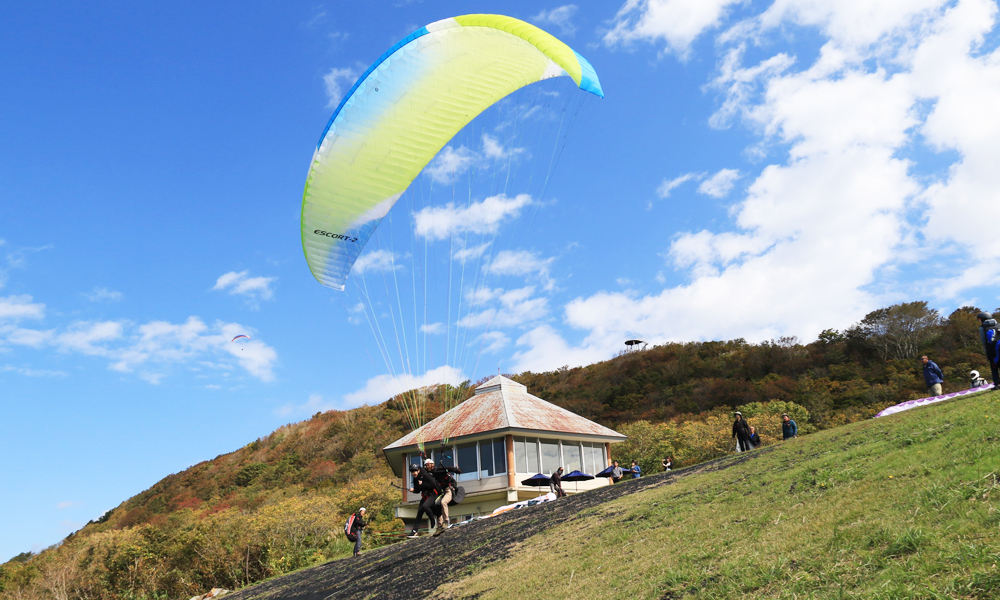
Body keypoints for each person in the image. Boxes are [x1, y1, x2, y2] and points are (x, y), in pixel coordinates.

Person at [428, 458, 461, 534]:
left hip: (449, 490)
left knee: (443, 502)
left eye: (427, 465)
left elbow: (449, 468)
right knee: (435, 505)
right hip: (442, 492)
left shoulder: (439, 470)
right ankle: (440, 525)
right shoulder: (431, 474)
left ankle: (446, 521)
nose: (426, 467)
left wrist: (457, 470)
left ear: (432, 465)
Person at [407, 462, 440, 538]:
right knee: (419, 513)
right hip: (425, 496)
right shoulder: (415, 478)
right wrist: (414, 490)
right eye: (412, 472)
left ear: (418, 470)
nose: (413, 473)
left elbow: (433, 485)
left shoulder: (426, 475)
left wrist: (422, 484)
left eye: (414, 472)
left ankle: (432, 518)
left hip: (432, 494)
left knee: (425, 506)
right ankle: (414, 531)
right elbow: (418, 490)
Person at [978, 312, 1000, 385]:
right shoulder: (998, 324)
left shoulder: (983, 328)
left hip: (992, 350)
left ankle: (997, 384)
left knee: (994, 367)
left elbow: (984, 341)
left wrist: (986, 351)